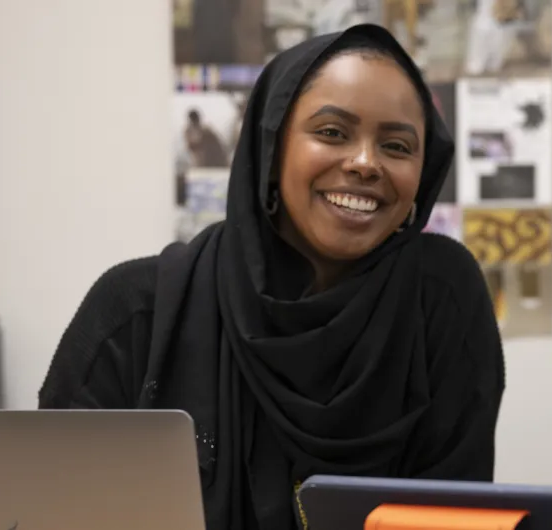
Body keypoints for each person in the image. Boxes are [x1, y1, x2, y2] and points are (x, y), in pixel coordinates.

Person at [40, 25, 504, 530]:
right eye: (332, 132)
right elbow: (49, 507)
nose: (366, 164)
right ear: (272, 148)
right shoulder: (138, 312)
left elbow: (457, 515)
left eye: (396, 145)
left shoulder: (440, 299)